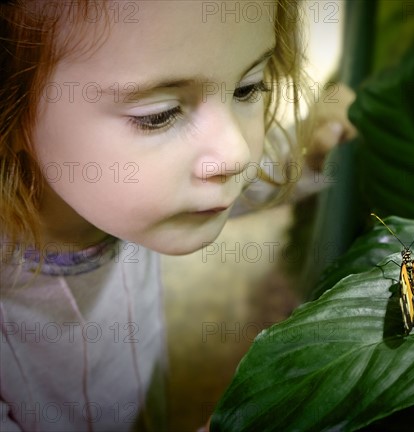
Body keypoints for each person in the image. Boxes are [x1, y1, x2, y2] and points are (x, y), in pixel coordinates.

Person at [0, 1, 356, 431]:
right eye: (160, 115)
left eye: (246, 88)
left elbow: (254, 178)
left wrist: (312, 144)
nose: (236, 155)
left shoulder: (112, 197)